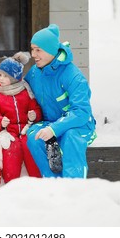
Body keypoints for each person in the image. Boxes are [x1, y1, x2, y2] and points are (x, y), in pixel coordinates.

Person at [23, 24, 97, 178]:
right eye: (32, 49)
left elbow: (82, 112)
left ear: (50, 50)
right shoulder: (35, 73)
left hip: (78, 124)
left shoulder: (73, 76)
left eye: (38, 50)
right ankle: (53, 185)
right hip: (50, 123)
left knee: (70, 138)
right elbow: (23, 92)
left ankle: (73, 187)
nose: (33, 54)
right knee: (34, 138)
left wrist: (54, 129)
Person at [0, 56, 42, 183]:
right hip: (9, 131)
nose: (1, 79)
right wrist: (0, 121)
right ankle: (10, 184)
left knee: (30, 146)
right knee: (11, 149)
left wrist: (34, 115)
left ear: (14, 77)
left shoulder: (26, 92)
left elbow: (36, 108)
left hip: (26, 128)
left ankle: (38, 182)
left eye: (5, 76)